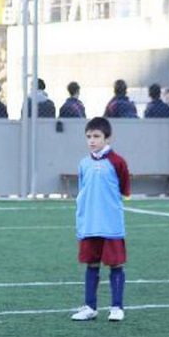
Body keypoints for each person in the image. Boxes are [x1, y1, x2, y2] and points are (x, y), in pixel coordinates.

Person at [70, 117, 131, 323]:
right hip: (89, 223)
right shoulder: (83, 163)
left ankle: (116, 307)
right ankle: (90, 307)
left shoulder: (117, 162)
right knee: (92, 264)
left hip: (110, 223)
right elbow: (82, 189)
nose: (92, 141)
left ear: (107, 138)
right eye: (88, 137)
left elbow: (124, 188)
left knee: (115, 265)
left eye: (96, 136)